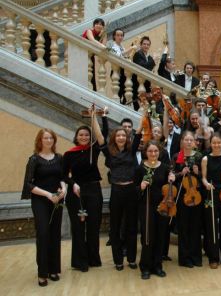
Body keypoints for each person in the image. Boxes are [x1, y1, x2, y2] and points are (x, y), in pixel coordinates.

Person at [92, 112, 142, 271]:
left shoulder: (132, 150)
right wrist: (93, 117)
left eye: (123, 135)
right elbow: (99, 136)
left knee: (132, 226)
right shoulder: (109, 152)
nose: (121, 137)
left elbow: (139, 131)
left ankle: (132, 259)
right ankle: (118, 260)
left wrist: (146, 111)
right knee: (115, 226)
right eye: (118, 135)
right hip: (117, 191)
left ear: (127, 138)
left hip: (131, 191)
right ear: (114, 138)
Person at [22, 129, 66, 287]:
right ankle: (42, 273)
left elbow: (62, 177)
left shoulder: (60, 158)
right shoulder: (34, 159)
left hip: (57, 200)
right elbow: (28, 184)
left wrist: (64, 189)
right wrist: (48, 194)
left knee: (55, 234)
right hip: (40, 200)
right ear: (40, 140)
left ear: (54, 141)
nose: (48, 140)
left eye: (51, 138)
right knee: (43, 234)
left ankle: (54, 270)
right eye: (45, 138)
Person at [63, 123, 104, 272]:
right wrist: (73, 184)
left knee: (94, 226)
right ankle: (80, 261)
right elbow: (63, 175)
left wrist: (97, 118)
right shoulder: (69, 154)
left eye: (87, 135)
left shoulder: (94, 150)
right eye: (81, 135)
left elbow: (102, 135)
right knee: (78, 228)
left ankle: (93, 258)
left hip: (94, 190)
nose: (84, 137)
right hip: (76, 192)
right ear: (76, 137)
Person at [135, 141, 175, 279]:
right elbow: (133, 191)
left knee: (160, 236)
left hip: (162, 206)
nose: (153, 154)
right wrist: (140, 186)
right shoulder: (140, 169)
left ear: (160, 152)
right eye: (150, 151)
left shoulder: (164, 168)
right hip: (146, 206)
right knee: (147, 237)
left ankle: (157, 266)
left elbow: (168, 190)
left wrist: (171, 180)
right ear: (146, 152)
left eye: (156, 151)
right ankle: (145, 267)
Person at [201, 133, 221, 269]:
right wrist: (206, 184)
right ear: (210, 144)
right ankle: (213, 257)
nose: (216, 145)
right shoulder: (205, 159)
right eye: (214, 143)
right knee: (211, 226)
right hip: (212, 192)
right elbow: (203, 177)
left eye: (219, 143)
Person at [172, 131, 203, 267]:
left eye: (191, 140)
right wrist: (180, 173)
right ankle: (185, 258)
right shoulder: (177, 156)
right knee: (184, 227)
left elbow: (204, 176)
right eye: (187, 140)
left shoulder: (199, 156)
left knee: (196, 226)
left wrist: (198, 173)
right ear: (182, 142)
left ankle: (196, 257)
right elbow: (172, 175)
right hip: (182, 195)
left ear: (195, 142)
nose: (189, 142)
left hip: (196, 195)